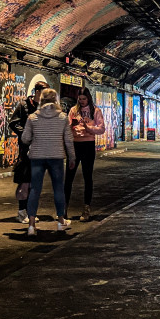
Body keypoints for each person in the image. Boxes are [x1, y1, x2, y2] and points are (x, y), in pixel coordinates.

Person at [21, 88, 75, 236]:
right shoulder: (63, 117)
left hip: (37, 157)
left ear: (42, 100)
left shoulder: (33, 117)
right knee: (58, 188)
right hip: (56, 157)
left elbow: (25, 139)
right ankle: (60, 221)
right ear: (56, 100)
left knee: (35, 190)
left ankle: (31, 225)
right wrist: (72, 157)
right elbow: (69, 140)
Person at [9, 81, 49, 223]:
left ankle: (29, 211)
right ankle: (21, 212)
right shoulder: (24, 105)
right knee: (24, 181)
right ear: (37, 92)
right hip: (27, 150)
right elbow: (13, 123)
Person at [64, 88, 105, 222]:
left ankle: (86, 208)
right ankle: (63, 209)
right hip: (75, 145)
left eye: (84, 99)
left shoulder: (96, 111)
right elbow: (67, 127)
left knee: (87, 177)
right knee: (69, 177)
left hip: (88, 145)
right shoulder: (73, 111)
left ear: (88, 98)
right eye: (80, 99)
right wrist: (72, 126)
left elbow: (101, 128)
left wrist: (89, 128)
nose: (81, 101)